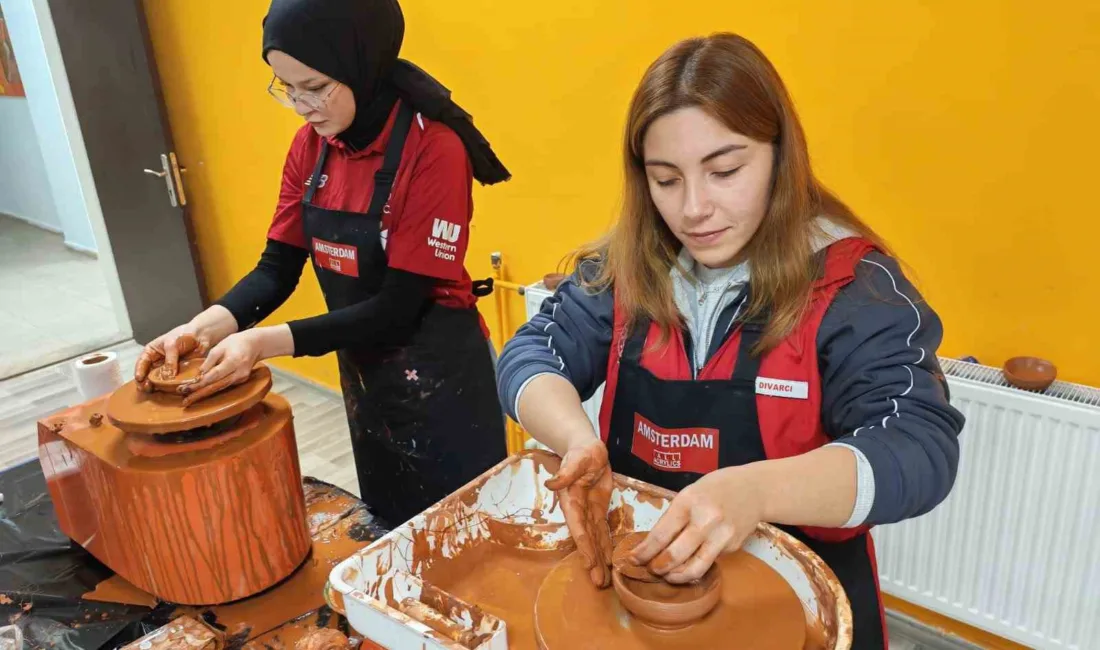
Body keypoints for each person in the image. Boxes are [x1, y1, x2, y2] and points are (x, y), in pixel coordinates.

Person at [496, 33, 964, 648]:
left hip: (797, 598)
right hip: (645, 592)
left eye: (725, 171)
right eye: (666, 180)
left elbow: (920, 446)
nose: (694, 209)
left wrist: (755, 491)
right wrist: (574, 438)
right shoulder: (629, 265)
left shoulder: (853, 286)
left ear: (779, 155)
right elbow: (530, 354)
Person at [134, 0, 511, 526]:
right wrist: (203, 328)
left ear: (362, 63)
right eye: (285, 87)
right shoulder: (312, 147)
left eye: (314, 87)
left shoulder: (433, 149)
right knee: (389, 523)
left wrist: (261, 343)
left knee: (463, 533)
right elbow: (277, 267)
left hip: (441, 378)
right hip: (365, 373)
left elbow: (399, 308)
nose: (299, 105)